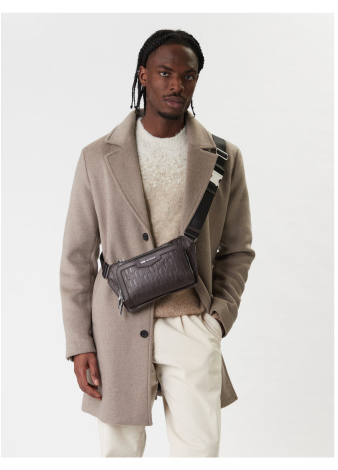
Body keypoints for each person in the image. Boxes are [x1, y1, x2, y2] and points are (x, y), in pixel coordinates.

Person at [60, 29, 256, 457]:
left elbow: (238, 249)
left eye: (188, 75)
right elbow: (77, 257)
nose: (176, 84)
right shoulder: (97, 157)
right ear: (143, 75)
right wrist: (80, 343)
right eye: (165, 72)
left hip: (192, 325)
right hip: (116, 326)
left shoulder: (224, 157)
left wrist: (218, 318)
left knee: (199, 454)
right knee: (120, 454)